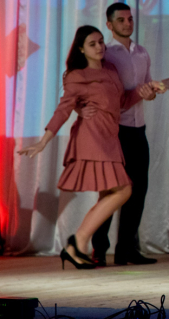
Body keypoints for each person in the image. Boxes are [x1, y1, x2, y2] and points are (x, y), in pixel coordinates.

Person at [18, 26, 154, 269]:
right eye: (92, 44)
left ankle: (77, 246)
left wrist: (143, 92)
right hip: (92, 138)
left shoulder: (110, 69)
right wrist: (44, 140)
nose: (99, 47)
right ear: (81, 48)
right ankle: (78, 241)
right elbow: (63, 109)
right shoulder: (77, 75)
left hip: (110, 137)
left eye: (101, 42)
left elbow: (121, 101)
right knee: (124, 190)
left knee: (110, 193)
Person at [87, 3, 161, 267]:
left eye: (130, 19)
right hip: (114, 130)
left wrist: (150, 92)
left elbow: (146, 87)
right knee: (110, 191)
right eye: (121, 20)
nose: (128, 23)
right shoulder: (106, 55)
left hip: (138, 129)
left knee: (138, 191)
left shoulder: (142, 53)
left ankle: (126, 250)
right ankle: (99, 249)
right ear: (109, 25)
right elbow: (105, 95)